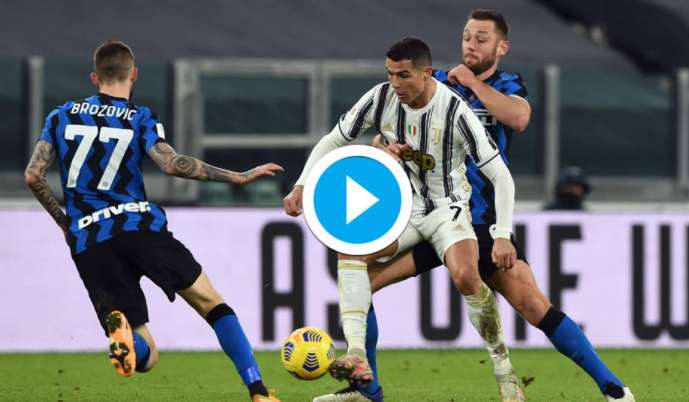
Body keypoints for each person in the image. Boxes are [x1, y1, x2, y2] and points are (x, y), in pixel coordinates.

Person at [318, 10, 635, 402]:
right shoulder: (431, 83)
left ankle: (613, 388)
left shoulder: (506, 85)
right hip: (428, 213)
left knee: (533, 305)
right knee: (360, 282)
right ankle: (368, 391)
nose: (471, 45)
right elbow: (384, 135)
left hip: (481, 219)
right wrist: (385, 149)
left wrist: (470, 82)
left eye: (481, 39)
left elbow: (519, 117)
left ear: (501, 47)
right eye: (467, 37)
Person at [23, 40, 283, 402]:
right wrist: (238, 177)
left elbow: (33, 176)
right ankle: (258, 391)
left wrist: (66, 224)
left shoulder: (60, 115)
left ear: (95, 77)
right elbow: (172, 164)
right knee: (211, 304)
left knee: (146, 354)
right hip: (139, 228)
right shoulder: (139, 117)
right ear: (134, 74)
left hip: (90, 241)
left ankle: (127, 340)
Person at [312, 9, 531, 402]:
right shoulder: (381, 98)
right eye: (390, 74)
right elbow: (335, 140)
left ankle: (505, 373)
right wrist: (302, 184)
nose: (394, 83)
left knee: (466, 277)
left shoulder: (456, 110)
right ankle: (357, 359)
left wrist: (502, 233)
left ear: (426, 74)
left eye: (403, 75)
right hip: (406, 210)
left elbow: (502, 175)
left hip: (449, 210)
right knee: (352, 252)